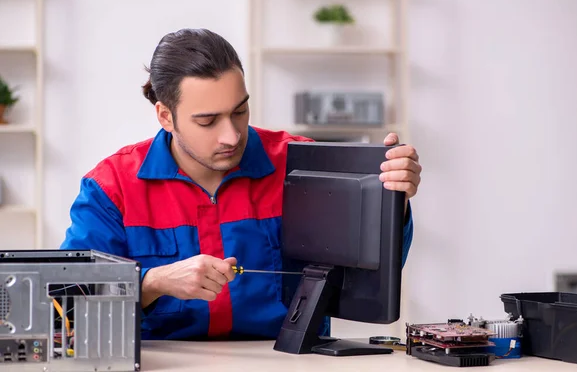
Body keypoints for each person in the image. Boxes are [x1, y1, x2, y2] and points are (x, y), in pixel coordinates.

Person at [60, 28, 422, 341]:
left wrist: (394, 201)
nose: (231, 136)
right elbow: (68, 305)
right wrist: (151, 282)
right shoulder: (111, 188)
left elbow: (367, 277)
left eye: (239, 111)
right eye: (207, 121)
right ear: (165, 116)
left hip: (288, 361)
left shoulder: (302, 166)